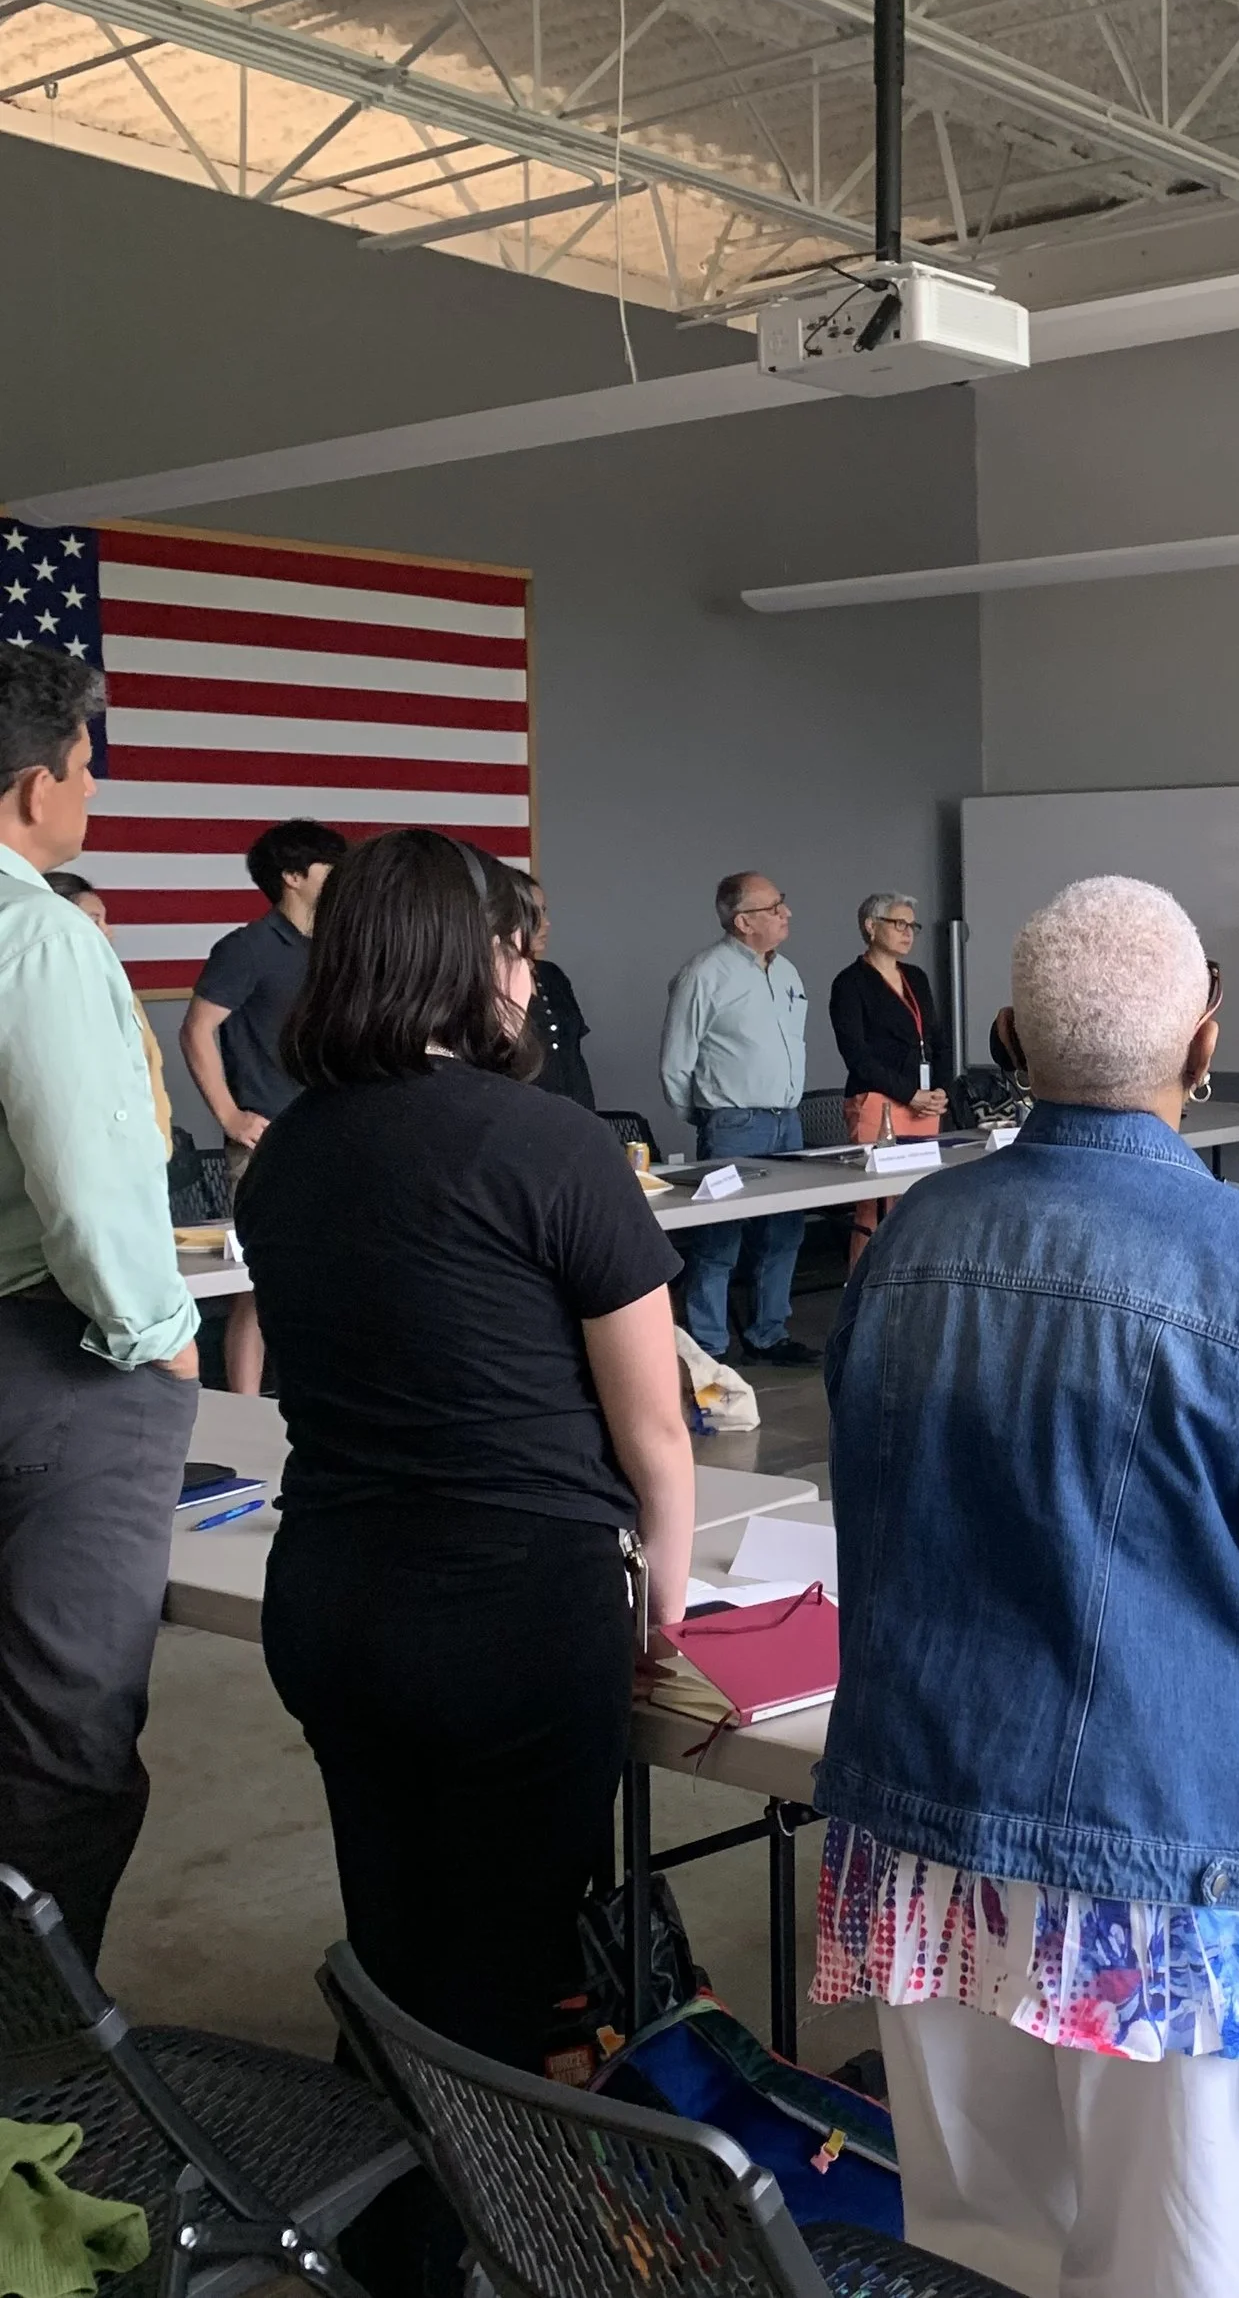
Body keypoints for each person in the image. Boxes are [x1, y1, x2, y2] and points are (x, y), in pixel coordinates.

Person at [812, 876, 1239, 2298]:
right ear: (1204, 1047)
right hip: (1177, 1869)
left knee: (972, 2254)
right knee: (1176, 2270)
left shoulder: (909, 1241)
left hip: (927, 1835)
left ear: (1003, 1034)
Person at [242, 831, 695, 2092]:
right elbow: (654, 1428)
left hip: (333, 1592)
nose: (526, 975)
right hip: (511, 1612)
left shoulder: (287, 1154)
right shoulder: (552, 1145)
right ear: (470, 961)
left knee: (397, 1938)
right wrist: (661, 1606)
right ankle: (456, 2236)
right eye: (515, 949)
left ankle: (382, 2211)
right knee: (502, 1980)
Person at [0, 649, 199, 1964]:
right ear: (34, 787)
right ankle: (38, 2084)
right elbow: (82, 1177)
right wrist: (160, 1338)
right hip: (53, 1359)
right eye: (86, 770)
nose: (92, 798)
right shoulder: (38, 936)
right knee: (63, 1741)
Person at [179, 817, 344, 1395]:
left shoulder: (337, 947)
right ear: (293, 876)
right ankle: (245, 1405)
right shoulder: (247, 947)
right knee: (261, 1281)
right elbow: (197, 1029)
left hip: (338, 1132)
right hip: (268, 1138)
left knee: (338, 1274)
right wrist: (228, 1116)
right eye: (330, 865)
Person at [658, 872, 815, 1366]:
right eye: (774, 907)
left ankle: (769, 1333)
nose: (786, 913)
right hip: (733, 1123)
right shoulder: (703, 973)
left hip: (787, 1121)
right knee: (719, 1236)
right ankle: (708, 1346)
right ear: (743, 920)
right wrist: (711, 1116)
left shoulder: (787, 972)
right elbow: (675, 1062)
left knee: (784, 1232)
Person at [829, 892, 950, 1263]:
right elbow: (857, 1057)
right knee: (874, 1205)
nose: (908, 932)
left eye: (912, 925)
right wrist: (908, 1093)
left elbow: (935, 1038)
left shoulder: (915, 977)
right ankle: (863, 1294)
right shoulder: (850, 983)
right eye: (899, 923)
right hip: (878, 1102)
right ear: (870, 926)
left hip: (924, 1104)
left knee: (918, 1199)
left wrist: (940, 1088)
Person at [47, 871, 171, 1152]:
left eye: (104, 920)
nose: (107, 930)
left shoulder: (116, 986)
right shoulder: (49, 994)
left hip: (146, 1151)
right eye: (94, 920)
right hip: (98, 1156)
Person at [516, 872, 596, 1110]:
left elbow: (573, 1056)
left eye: (545, 910)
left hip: (575, 1113)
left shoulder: (553, 976)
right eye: (536, 912)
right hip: (527, 1115)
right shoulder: (490, 986)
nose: (546, 923)